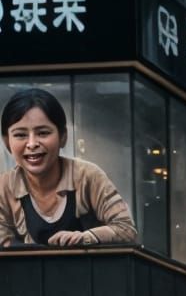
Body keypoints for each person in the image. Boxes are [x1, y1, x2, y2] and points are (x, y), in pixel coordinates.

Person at [0, 89, 137, 249]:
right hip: (31, 274)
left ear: (63, 136)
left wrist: (86, 237)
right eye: (20, 135)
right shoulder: (4, 186)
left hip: (90, 271)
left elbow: (127, 229)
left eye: (43, 133)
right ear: (7, 142)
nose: (32, 144)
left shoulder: (88, 176)